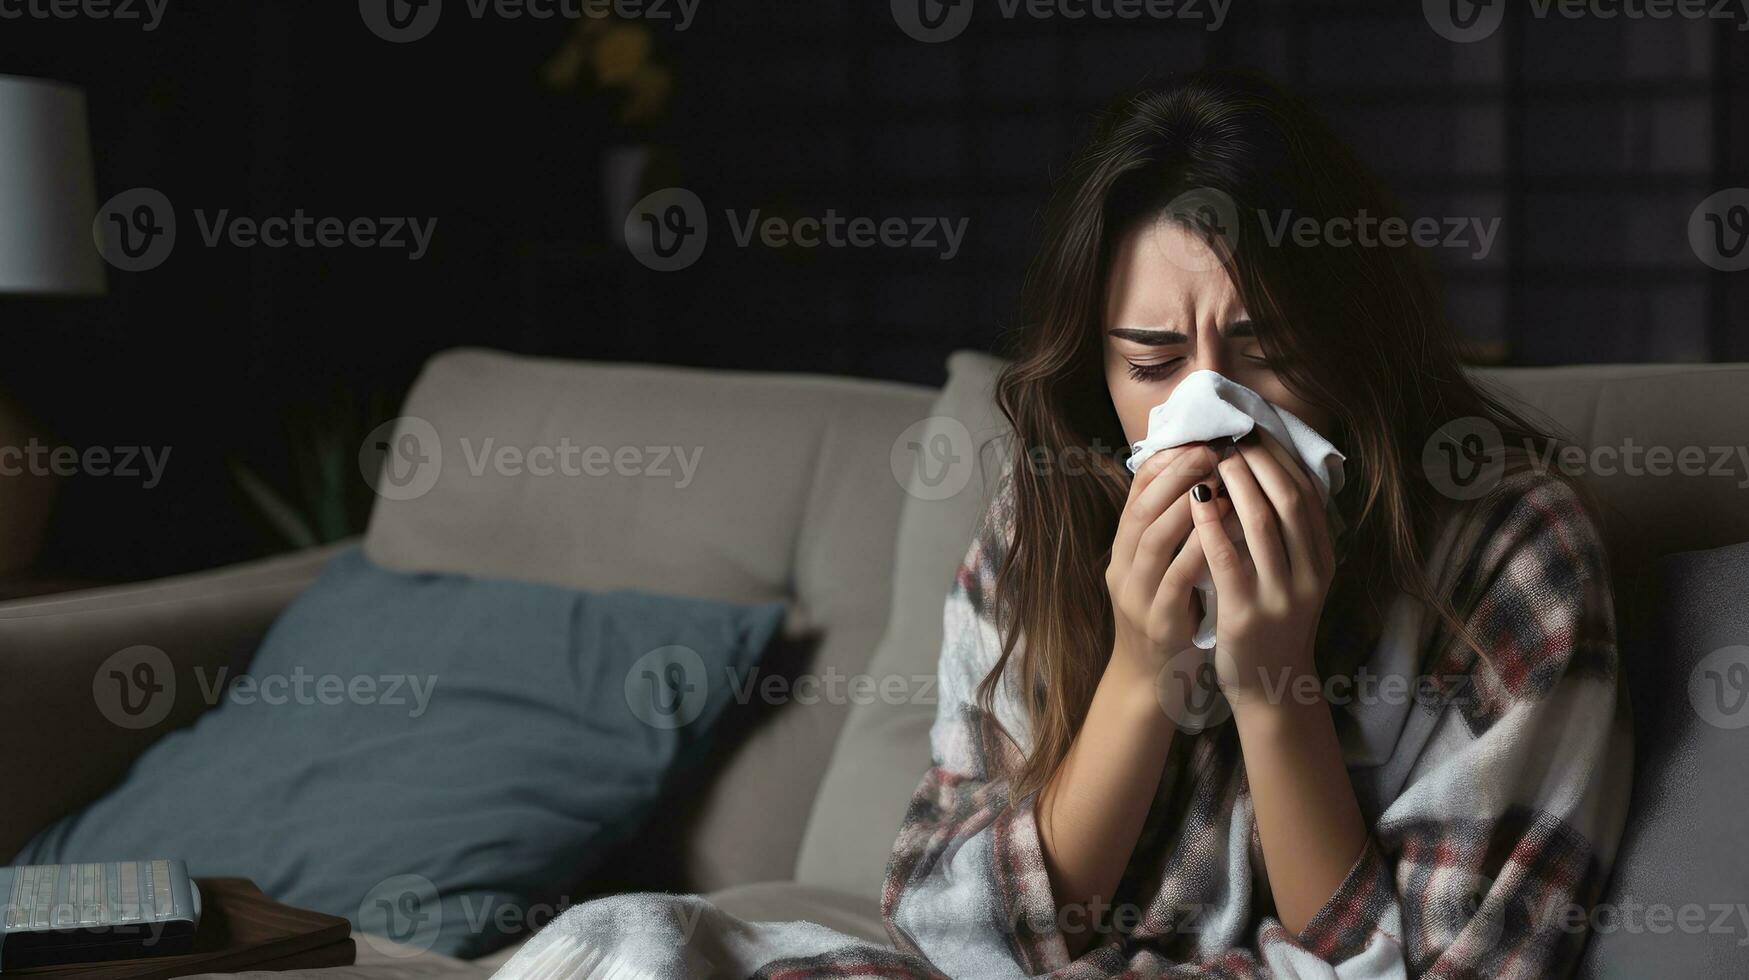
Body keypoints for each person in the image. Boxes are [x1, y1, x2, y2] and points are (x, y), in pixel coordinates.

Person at [491, 66, 1631, 980]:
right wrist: (1139, 669)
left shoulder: (1510, 552)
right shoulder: (1047, 516)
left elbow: (1430, 961)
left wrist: (1271, 680)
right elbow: (952, 930)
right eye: (1152, 360)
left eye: (1267, 352)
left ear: (1351, 341)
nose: (1209, 407)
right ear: (1096, 370)